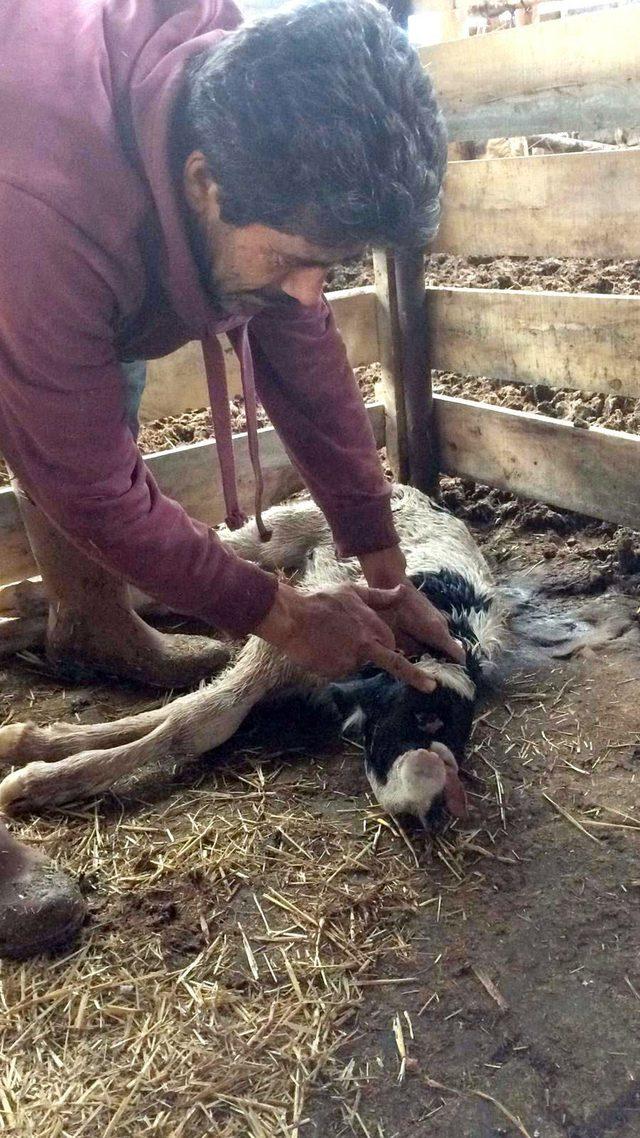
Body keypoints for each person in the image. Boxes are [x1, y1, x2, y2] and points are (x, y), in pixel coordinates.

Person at [0, 0, 458, 957]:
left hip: (81, 240)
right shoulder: (45, 208)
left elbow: (301, 345)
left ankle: (95, 627)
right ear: (202, 184)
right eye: (296, 260)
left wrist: (382, 564)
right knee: (63, 410)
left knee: (100, 371)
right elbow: (90, 482)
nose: (309, 287)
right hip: (28, 207)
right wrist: (281, 615)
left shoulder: (251, 99)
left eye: (326, 267)